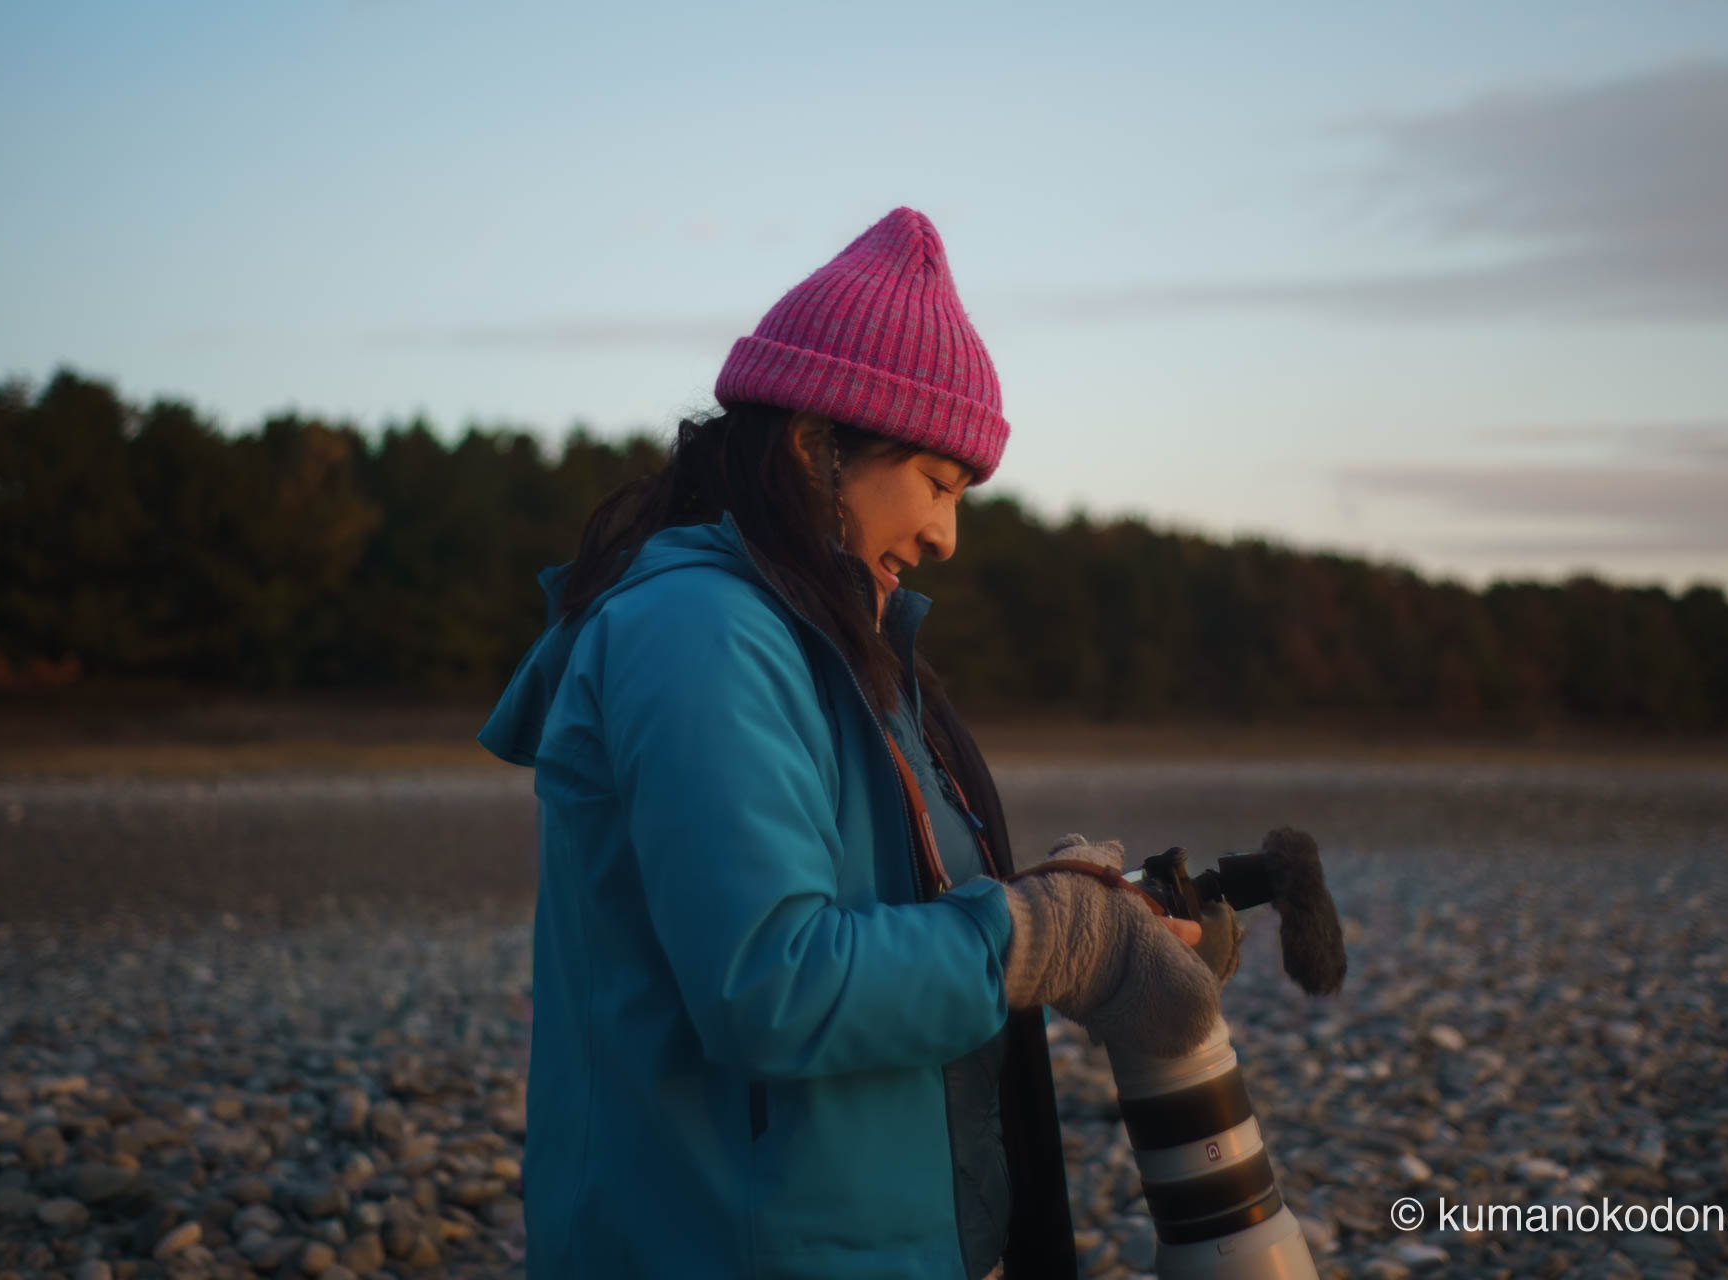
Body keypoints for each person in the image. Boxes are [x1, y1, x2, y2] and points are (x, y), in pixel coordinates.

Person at [480, 207, 1234, 1279]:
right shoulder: (703, 631)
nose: (946, 535)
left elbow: (912, 918)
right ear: (812, 443)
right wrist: (1036, 937)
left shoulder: (832, 642)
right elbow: (769, 981)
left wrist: (1109, 924)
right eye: (934, 480)